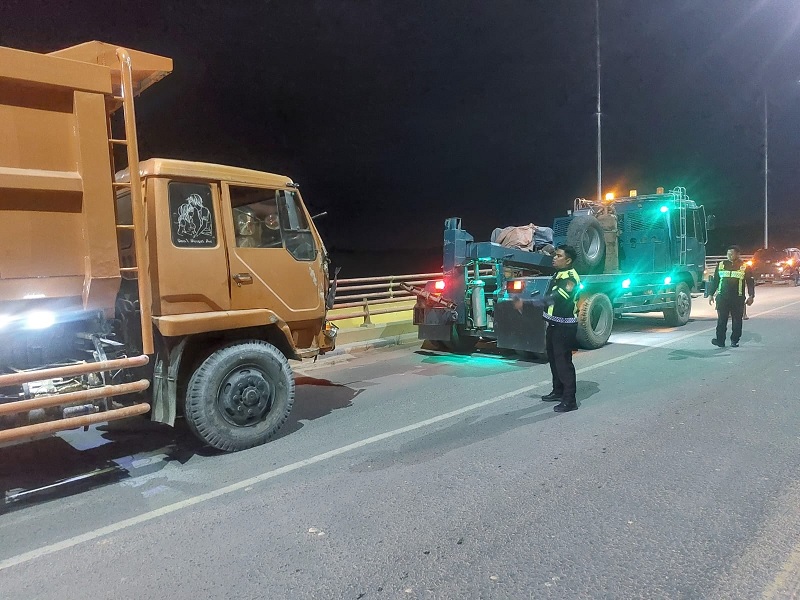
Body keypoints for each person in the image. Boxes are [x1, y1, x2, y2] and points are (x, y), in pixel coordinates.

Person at [540, 244, 581, 413]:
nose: (554, 258)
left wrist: (532, 303)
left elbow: (557, 297)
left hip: (565, 326)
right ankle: (558, 391)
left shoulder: (570, 278)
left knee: (564, 363)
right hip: (555, 324)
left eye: (558, 256)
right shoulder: (559, 274)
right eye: (555, 255)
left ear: (568, 260)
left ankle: (569, 400)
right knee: (554, 360)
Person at [709, 244, 755, 348]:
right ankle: (720, 340)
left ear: (738, 254)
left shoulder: (745, 266)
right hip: (722, 298)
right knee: (721, 320)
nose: (730, 255)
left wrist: (751, 296)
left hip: (737, 298)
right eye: (728, 253)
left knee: (737, 320)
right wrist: (711, 294)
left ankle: (735, 340)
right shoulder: (721, 265)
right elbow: (715, 281)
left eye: (732, 253)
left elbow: (750, 282)